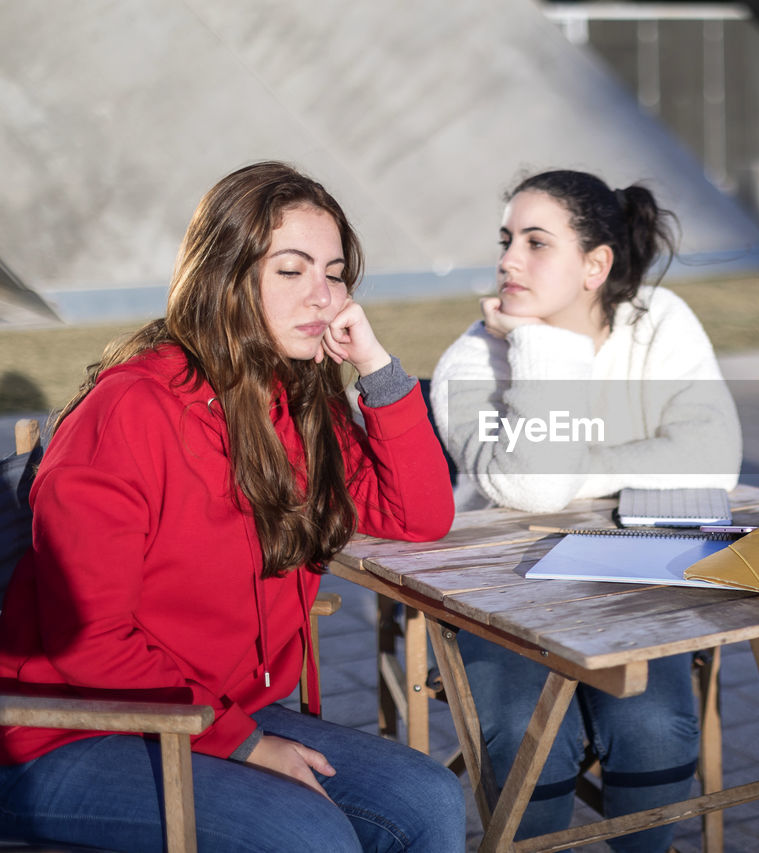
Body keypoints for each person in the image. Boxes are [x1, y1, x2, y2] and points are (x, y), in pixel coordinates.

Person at [0, 162, 465, 852]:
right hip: (68, 729)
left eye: (335, 273)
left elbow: (418, 514)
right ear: (225, 274)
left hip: (218, 712)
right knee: (309, 837)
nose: (324, 297)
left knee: (429, 798)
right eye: (291, 270)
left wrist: (375, 366)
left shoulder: (296, 400)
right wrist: (243, 743)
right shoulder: (132, 411)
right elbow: (91, 642)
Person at [430, 169, 741, 851]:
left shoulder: (658, 321)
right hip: (501, 589)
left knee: (655, 725)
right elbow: (536, 490)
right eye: (508, 239)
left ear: (595, 265)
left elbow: (714, 456)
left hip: (628, 577)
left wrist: (578, 470)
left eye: (536, 242)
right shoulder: (472, 360)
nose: (509, 259)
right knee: (531, 732)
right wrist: (543, 346)